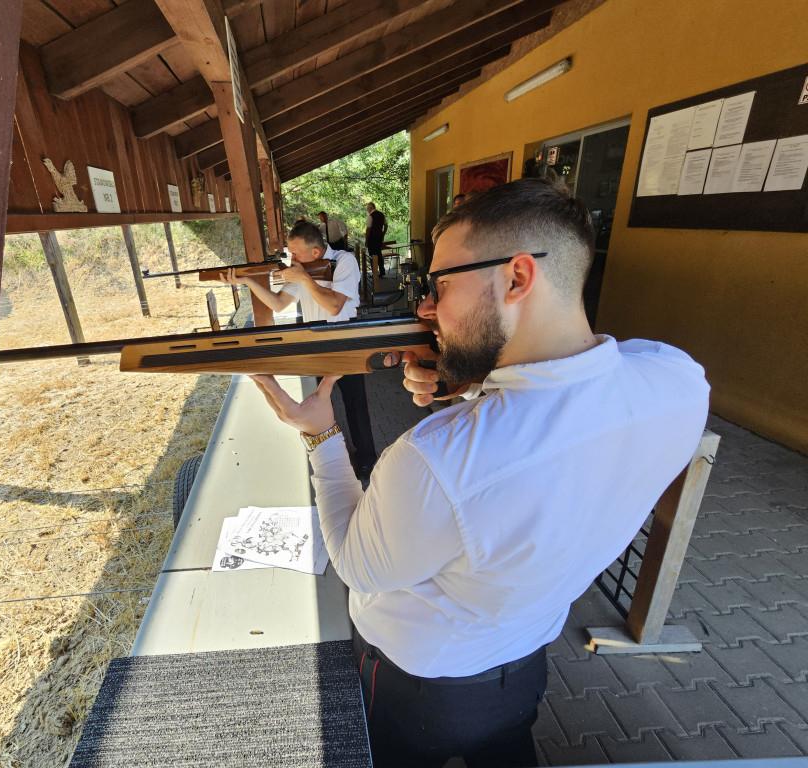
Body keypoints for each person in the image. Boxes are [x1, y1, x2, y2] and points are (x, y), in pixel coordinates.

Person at [246, 178, 710, 767]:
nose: (424, 308)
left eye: (440, 284)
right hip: (522, 670)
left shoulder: (436, 459)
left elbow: (358, 566)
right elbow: (570, 394)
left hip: (418, 690)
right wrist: (476, 386)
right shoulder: (679, 382)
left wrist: (321, 436)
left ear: (517, 277)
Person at [220, 220, 378, 479]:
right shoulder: (303, 269)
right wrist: (249, 281)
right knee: (320, 406)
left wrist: (303, 277)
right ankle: (331, 454)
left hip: (344, 343)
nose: (290, 258)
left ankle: (367, 461)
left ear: (315, 253)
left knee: (355, 405)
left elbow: (334, 306)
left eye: (295, 253)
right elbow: (279, 303)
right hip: (315, 345)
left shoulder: (344, 261)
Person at [365, 202, 388, 278]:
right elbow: (386, 225)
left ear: (370, 208)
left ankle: (375, 273)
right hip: (379, 238)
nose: (368, 210)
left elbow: (368, 229)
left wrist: (366, 240)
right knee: (379, 254)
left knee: (372, 255)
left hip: (372, 238)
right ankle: (382, 271)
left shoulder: (370, 217)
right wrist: (383, 233)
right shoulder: (381, 215)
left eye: (368, 208)